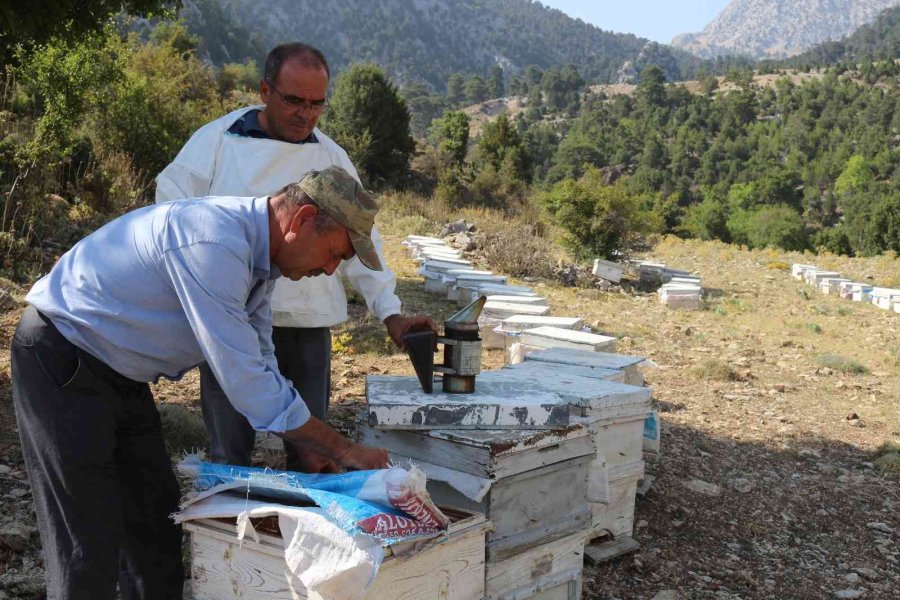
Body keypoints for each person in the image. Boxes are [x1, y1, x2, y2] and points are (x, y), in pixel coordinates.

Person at [12, 166, 390, 600]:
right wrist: (341, 447)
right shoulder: (213, 244)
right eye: (334, 254)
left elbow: (261, 356)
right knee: (85, 534)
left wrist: (306, 439)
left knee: (153, 517)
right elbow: (245, 380)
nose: (328, 270)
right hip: (63, 355)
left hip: (120, 372)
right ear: (302, 219)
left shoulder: (259, 262)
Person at [156, 42, 430, 472]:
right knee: (230, 447)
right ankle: (228, 530)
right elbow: (170, 211)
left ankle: (308, 533)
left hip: (309, 320)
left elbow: (359, 239)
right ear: (265, 90)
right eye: (294, 101)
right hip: (231, 317)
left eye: (317, 103)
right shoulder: (216, 142)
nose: (305, 114)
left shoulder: (331, 157)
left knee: (313, 451)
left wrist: (390, 312)